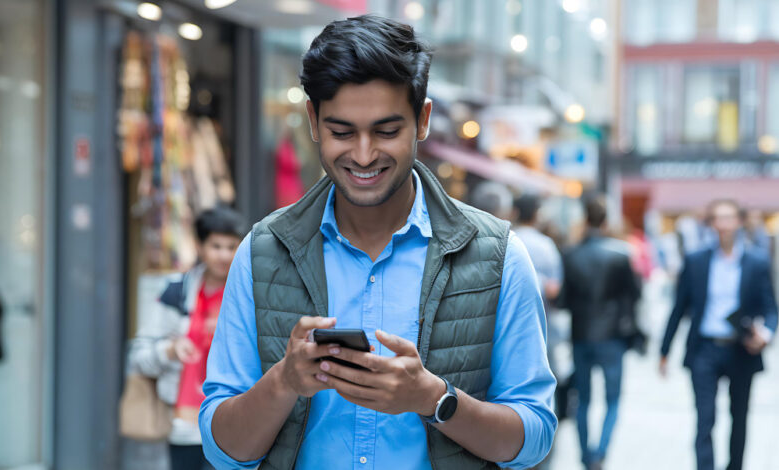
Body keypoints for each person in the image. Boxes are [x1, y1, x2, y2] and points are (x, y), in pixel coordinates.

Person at [199, 15, 556, 470]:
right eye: (342, 132)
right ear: (313, 121)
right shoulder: (262, 252)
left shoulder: (497, 255)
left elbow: (534, 438)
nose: (364, 155)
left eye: (387, 132)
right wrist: (283, 381)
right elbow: (222, 450)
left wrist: (434, 399)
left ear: (422, 120)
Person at [660, 199, 777, 470]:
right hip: (705, 349)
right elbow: (679, 307)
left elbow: (771, 308)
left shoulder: (757, 261)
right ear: (711, 223)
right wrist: (664, 350)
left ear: (739, 221)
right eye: (718, 219)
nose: (723, 225)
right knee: (705, 418)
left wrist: (766, 334)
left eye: (728, 218)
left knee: (739, 417)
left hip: (741, 348)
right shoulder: (696, 260)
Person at [128, 207, 246, 470]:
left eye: (231, 246)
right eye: (216, 246)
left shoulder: (250, 295)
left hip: (233, 421)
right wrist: (170, 350)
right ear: (199, 246)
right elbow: (139, 356)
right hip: (183, 425)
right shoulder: (175, 293)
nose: (224, 255)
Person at [559, 196, 641, 470]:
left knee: (582, 399)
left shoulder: (570, 254)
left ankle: (586, 455)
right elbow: (635, 295)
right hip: (612, 337)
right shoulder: (621, 254)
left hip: (582, 334)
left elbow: (563, 300)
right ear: (606, 221)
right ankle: (600, 453)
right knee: (613, 399)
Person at [512, 194, 564, 470]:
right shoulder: (545, 246)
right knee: (542, 394)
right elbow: (556, 289)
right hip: (544, 330)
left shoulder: (504, 240)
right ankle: (540, 456)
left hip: (507, 330)